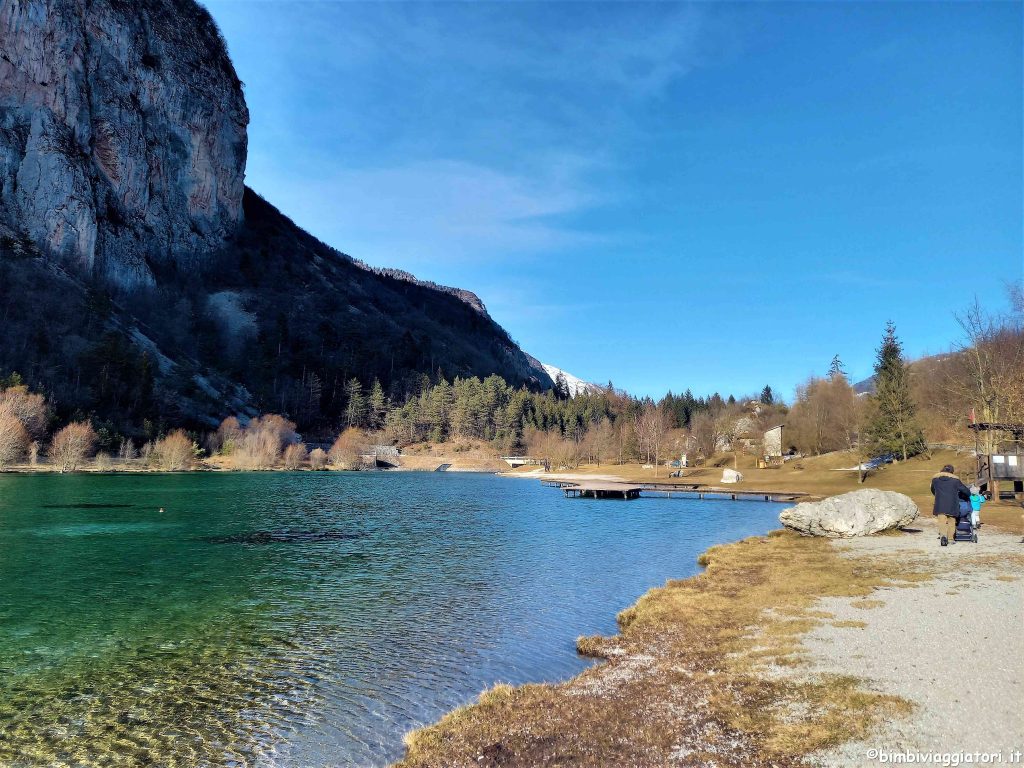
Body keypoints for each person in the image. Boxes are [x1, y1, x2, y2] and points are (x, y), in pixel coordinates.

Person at [930, 464, 970, 546]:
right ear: (952, 471)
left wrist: (938, 496)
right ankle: (950, 539)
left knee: (942, 521)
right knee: (952, 521)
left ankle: (943, 536)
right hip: (952, 504)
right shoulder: (955, 480)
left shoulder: (935, 479)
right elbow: (965, 490)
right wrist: (968, 494)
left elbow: (933, 489)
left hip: (940, 503)